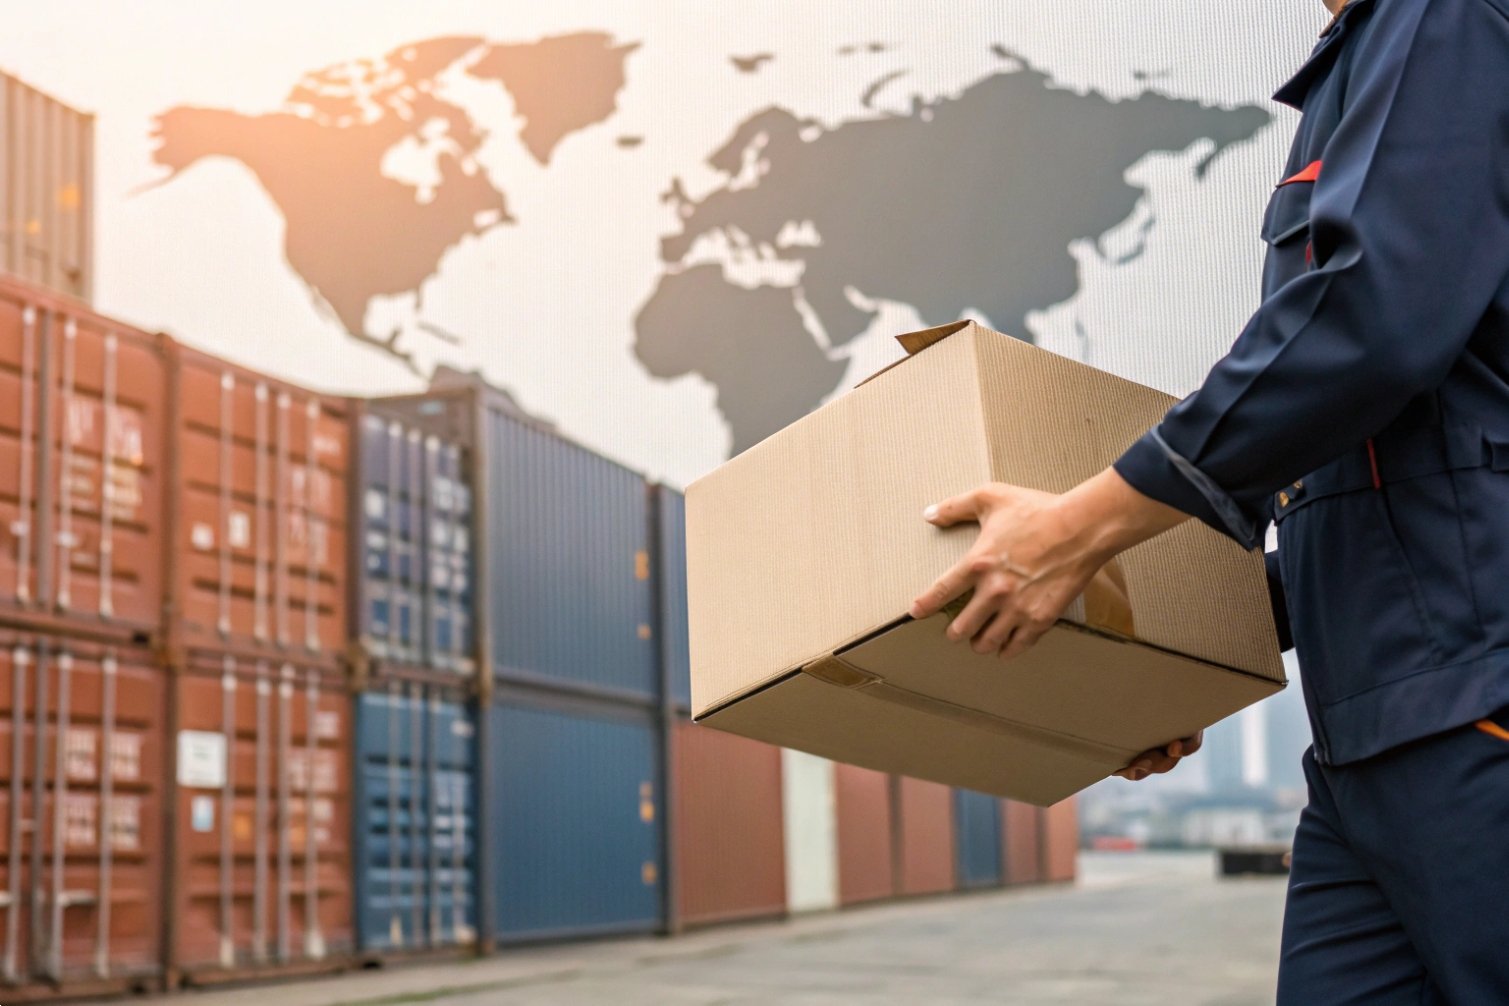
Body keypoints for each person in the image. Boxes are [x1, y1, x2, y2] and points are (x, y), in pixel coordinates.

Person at [909, 0, 1509, 1000]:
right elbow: (1364, 494)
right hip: (1370, 747)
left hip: (1473, 706)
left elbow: (1367, 325)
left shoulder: (1440, 17)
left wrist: (1075, 529)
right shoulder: (1358, 68)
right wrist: (1174, 666)